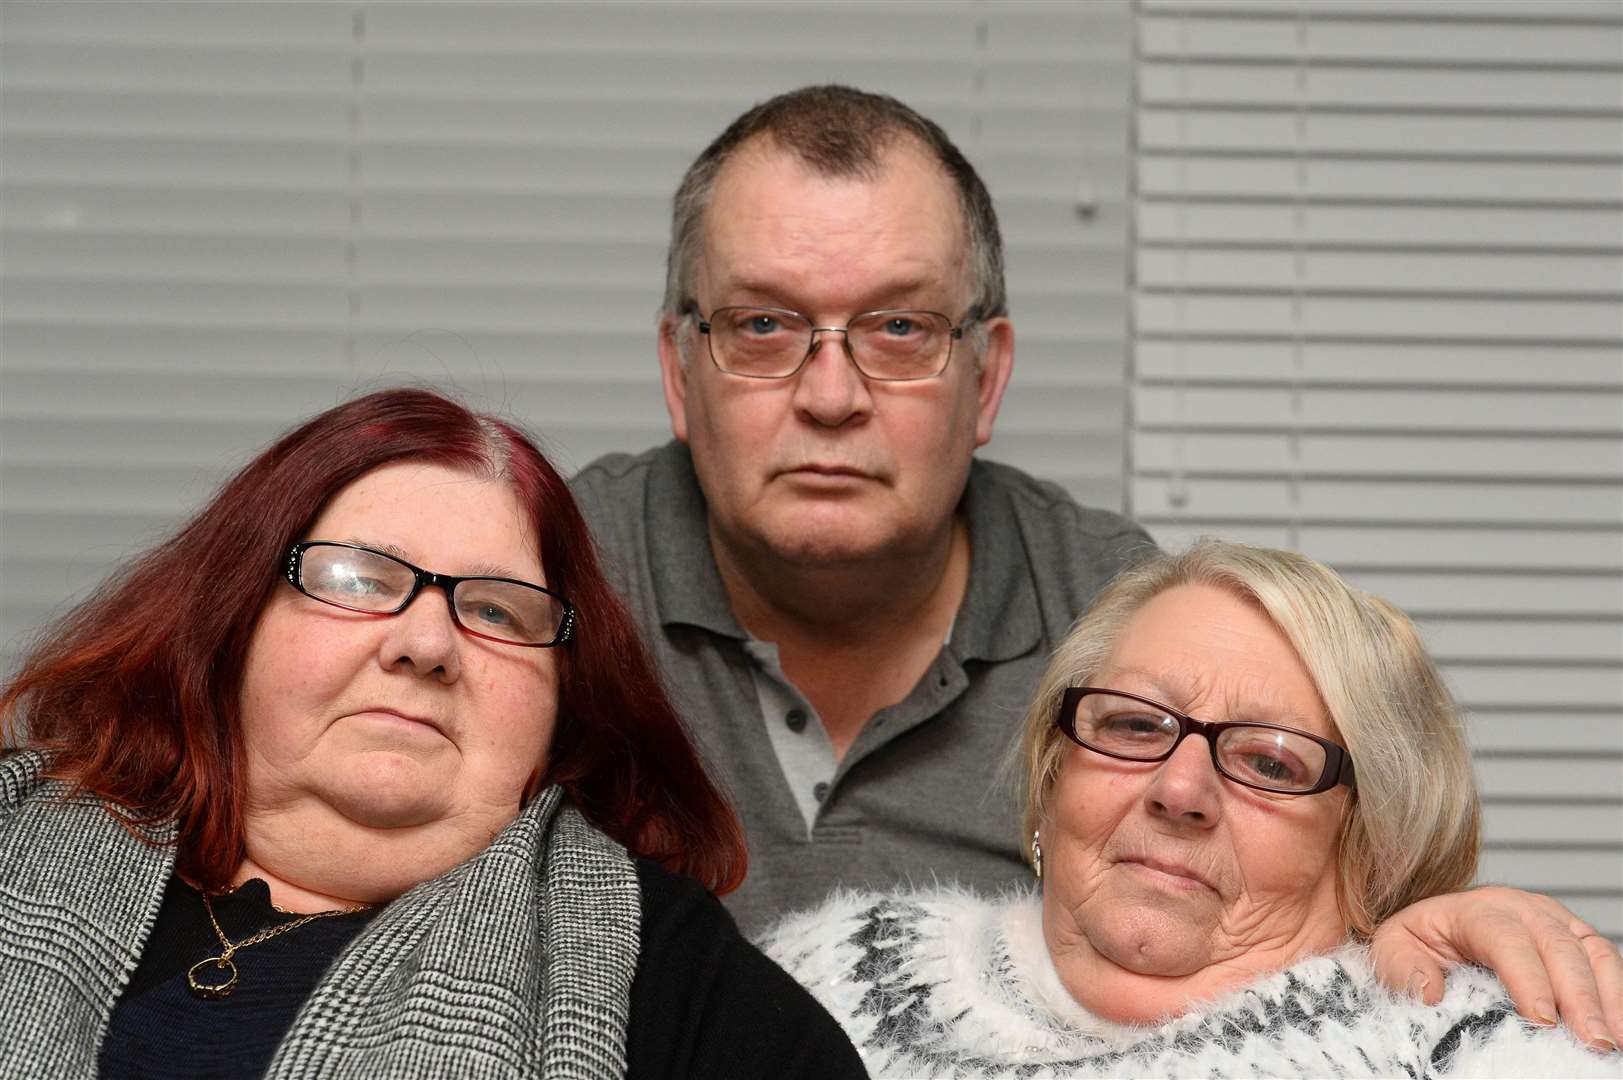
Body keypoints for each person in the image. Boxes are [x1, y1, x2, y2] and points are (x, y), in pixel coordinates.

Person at [570, 83, 1623, 1037]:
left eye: (900, 328)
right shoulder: (541, 585)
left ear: (987, 380)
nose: (832, 395)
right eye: (762, 325)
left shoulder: (1124, 631)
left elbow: (1284, 906)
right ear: (678, 368)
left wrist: (1430, 929)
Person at [0, 388, 864, 1079]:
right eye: (356, 578)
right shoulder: (15, 828)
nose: (424, 644)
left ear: (566, 697)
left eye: (495, 608)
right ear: (232, 622)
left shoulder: (671, 979)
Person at [761, 540, 1622, 1077]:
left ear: (1371, 844)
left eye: (1268, 762)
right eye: (1133, 725)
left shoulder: (1473, 1045)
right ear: (1054, 771)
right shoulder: (828, 974)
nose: (1178, 790)